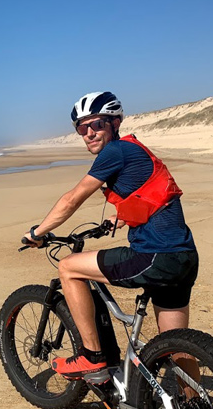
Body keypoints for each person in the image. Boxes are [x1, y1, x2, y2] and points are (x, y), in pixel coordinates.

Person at [23, 91, 198, 379]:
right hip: (183, 257)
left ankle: (92, 357)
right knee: (177, 347)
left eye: (97, 125)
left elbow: (73, 198)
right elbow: (153, 197)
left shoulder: (113, 153)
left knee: (69, 267)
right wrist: (120, 217)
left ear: (115, 123)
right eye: (82, 128)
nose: (89, 133)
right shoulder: (134, 151)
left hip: (153, 256)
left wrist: (37, 232)